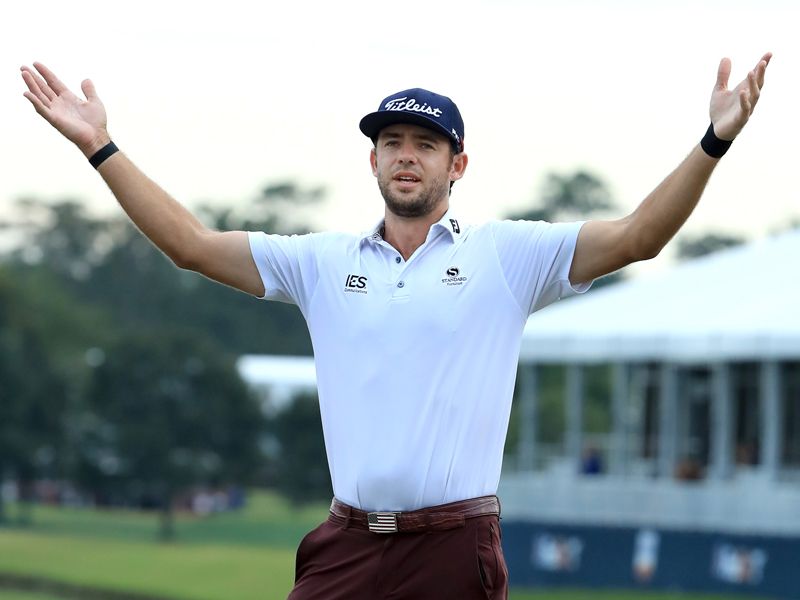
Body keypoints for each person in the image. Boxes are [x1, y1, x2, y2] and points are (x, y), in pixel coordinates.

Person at [20, 53, 771, 599]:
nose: (405, 157)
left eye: (425, 145)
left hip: (452, 549)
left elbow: (641, 235)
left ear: (458, 165)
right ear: (373, 160)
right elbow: (189, 246)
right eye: (392, 143)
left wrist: (714, 141)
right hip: (346, 543)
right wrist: (99, 147)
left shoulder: (508, 257)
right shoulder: (320, 263)